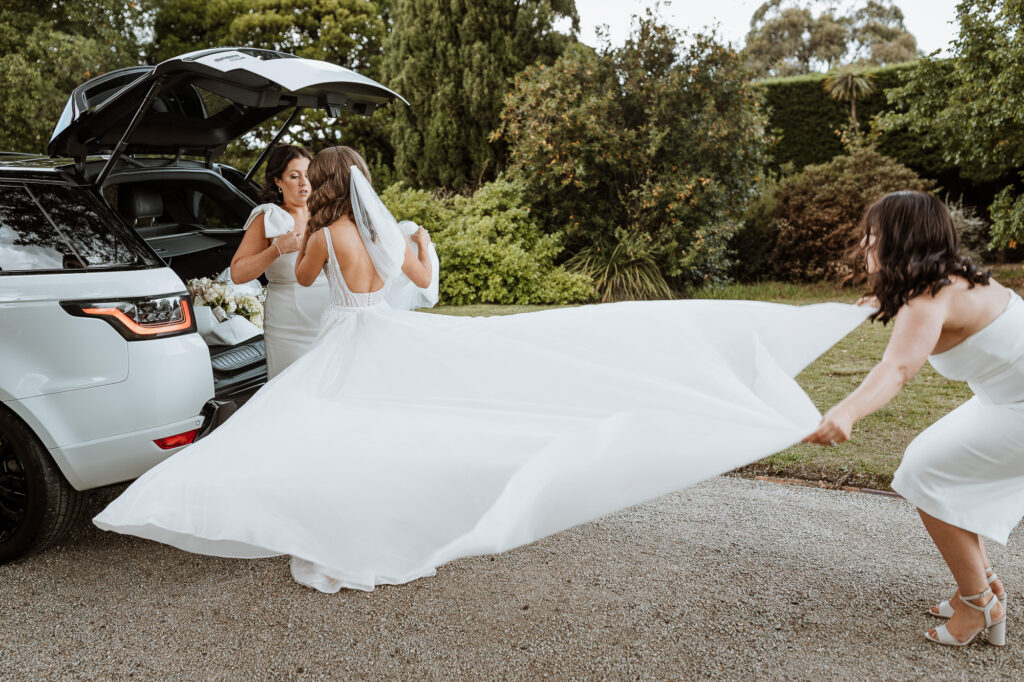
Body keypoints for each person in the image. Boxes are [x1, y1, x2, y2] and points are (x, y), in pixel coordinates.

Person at [94, 146, 870, 594]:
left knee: (300, 430)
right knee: (376, 434)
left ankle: (325, 526)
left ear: (323, 186)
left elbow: (302, 282)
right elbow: (404, 282)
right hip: (380, 331)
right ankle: (359, 520)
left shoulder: (324, 232)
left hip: (346, 337)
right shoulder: (378, 232)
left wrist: (296, 237)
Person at [804, 190, 1018, 648]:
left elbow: (898, 368)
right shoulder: (951, 279)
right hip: (1005, 401)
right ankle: (983, 588)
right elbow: (914, 319)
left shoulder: (929, 299)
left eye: (873, 235)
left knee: (926, 472)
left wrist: (848, 410)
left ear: (901, 239)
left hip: (1017, 408)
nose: (864, 244)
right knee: (937, 472)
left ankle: (979, 602)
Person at [229, 144, 328, 378]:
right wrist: (277, 249)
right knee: (290, 388)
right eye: (294, 176)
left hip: (327, 319)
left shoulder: (326, 214)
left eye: (308, 174)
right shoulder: (268, 217)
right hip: (288, 326)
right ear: (278, 181)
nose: (304, 182)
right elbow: (237, 273)